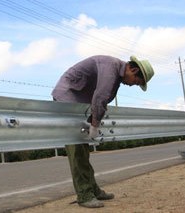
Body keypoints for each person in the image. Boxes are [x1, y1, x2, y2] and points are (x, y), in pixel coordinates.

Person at [52, 55, 154, 208]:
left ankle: (93, 189)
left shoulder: (116, 76)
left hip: (78, 103)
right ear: (133, 69)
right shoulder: (110, 67)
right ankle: (84, 195)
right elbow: (100, 97)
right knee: (77, 150)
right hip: (66, 99)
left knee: (83, 150)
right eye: (136, 81)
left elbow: (103, 100)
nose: (133, 85)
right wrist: (94, 125)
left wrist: (94, 121)